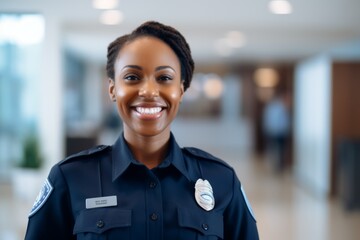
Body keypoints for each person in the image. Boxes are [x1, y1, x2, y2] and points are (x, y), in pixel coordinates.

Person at [24, 21, 259, 240]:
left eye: (164, 77)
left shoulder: (221, 180)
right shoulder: (70, 178)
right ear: (113, 89)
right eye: (132, 77)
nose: (148, 91)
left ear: (182, 89)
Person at [263, 90, 290, 172]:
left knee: (280, 149)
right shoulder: (276, 107)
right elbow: (270, 120)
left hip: (280, 132)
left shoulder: (281, 107)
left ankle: (279, 165)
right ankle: (276, 165)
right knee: (275, 149)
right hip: (275, 131)